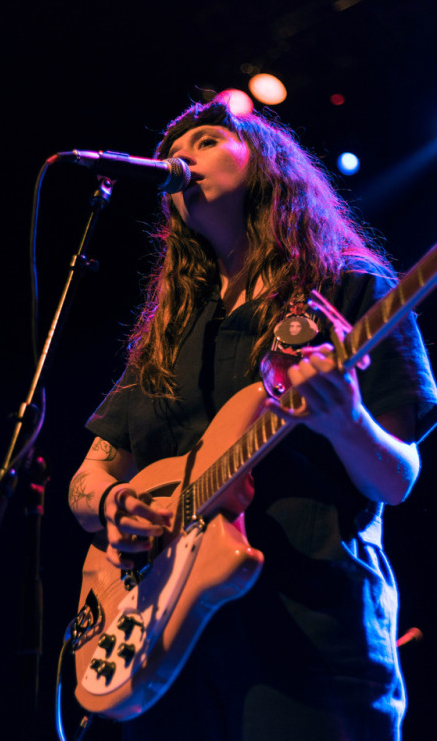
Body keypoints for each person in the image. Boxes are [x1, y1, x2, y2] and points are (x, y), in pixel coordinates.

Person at [69, 98, 437, 741]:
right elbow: (88, 479)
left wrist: (346, 420)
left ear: (266, 162)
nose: (180, 157)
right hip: (166, 653)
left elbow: (398, 478)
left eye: (207, 140)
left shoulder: (349, 290)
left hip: (310, 644)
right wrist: (115, 504)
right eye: (172, 151)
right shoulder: (169, 330)